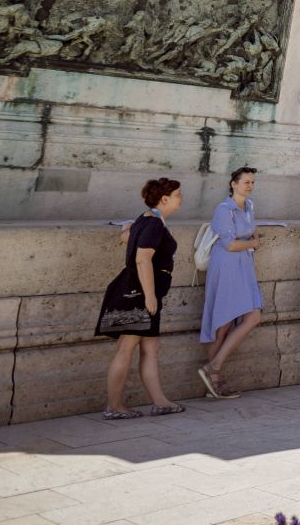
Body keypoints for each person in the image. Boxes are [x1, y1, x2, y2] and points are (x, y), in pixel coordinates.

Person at [96, 177, 187, 419]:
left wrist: (126, 228)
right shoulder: (154, 224)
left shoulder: (146, 220)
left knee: (150, 347)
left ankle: (161, 402)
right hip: (139, 293)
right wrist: (149, 298)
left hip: (140, 290)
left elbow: (127, 237)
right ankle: (114, 406)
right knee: (126, 348)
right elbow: (142, 258)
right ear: (164, 199)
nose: (181, 199)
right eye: (178, 195)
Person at [198, 166, 264, 399]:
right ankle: (214, 378)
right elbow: (229, 244)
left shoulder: (249, 206)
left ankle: (213, 368)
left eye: (252, 182)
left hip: (243, 265)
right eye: (246, 182)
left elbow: (252, 231)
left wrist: (251, 241)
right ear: (233, 184)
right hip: (226, 264)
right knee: (224, 321)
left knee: (253, 315)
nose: (250, 185)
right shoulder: (223, 209)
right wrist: (252, 244)